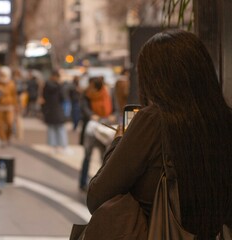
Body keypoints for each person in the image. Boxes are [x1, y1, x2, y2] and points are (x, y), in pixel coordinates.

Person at [86, 29, 232, 239]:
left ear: (154, 79)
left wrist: (119, 140)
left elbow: (97, 197)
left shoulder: (152, 121)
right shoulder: (225, 120)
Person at [79, 76, 113, 191]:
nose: (90, 88)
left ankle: (102, 183)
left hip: (104, 128)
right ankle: (83, 182)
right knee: (87, 156)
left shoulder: (106, 94)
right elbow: (84, 108)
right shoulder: (86, 94)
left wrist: (111, 116)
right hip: (90, 129)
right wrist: (91, 115)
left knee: (104, 157)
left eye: (92, 86)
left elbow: (113, 109)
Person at [42, 70, 71, 154]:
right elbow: (63, 96)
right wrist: (61, 84)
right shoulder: (54, 85)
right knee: (59, 128)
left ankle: (55, 146)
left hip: (51, 109)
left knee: (54, 128)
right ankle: (61, 146)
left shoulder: (48, 85)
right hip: (55, 109)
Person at [0, 66, 18, 148]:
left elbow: (14, 95)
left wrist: (16, 106)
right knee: (0, 124)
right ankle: (3, 139)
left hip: (10, 106)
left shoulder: (11, 83)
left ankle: (8, 137)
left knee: (10, 123)